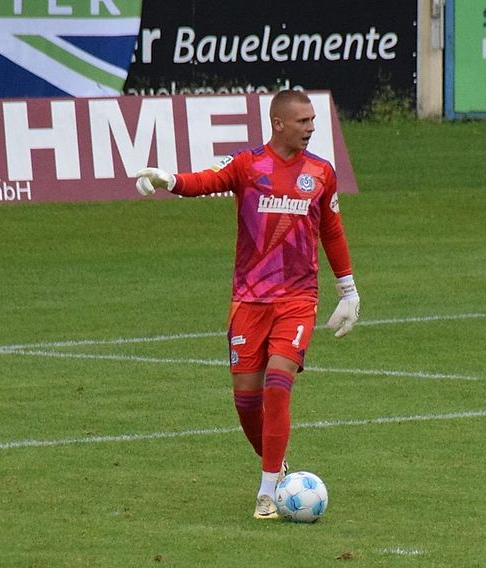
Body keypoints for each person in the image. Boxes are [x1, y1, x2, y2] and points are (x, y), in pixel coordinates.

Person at [134, 89, 360, 519]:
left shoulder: (321, 173)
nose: (311, 128)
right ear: (279, 123)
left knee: (278, 383)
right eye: (303, 121)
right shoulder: (248, 165)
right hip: (249, 301)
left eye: (313, 120)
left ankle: (267, 490)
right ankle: (276, 465)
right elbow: (207, 182)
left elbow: (332, 231)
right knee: (245, 402)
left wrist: (348, 291)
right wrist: (170, 179)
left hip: (297, 298)